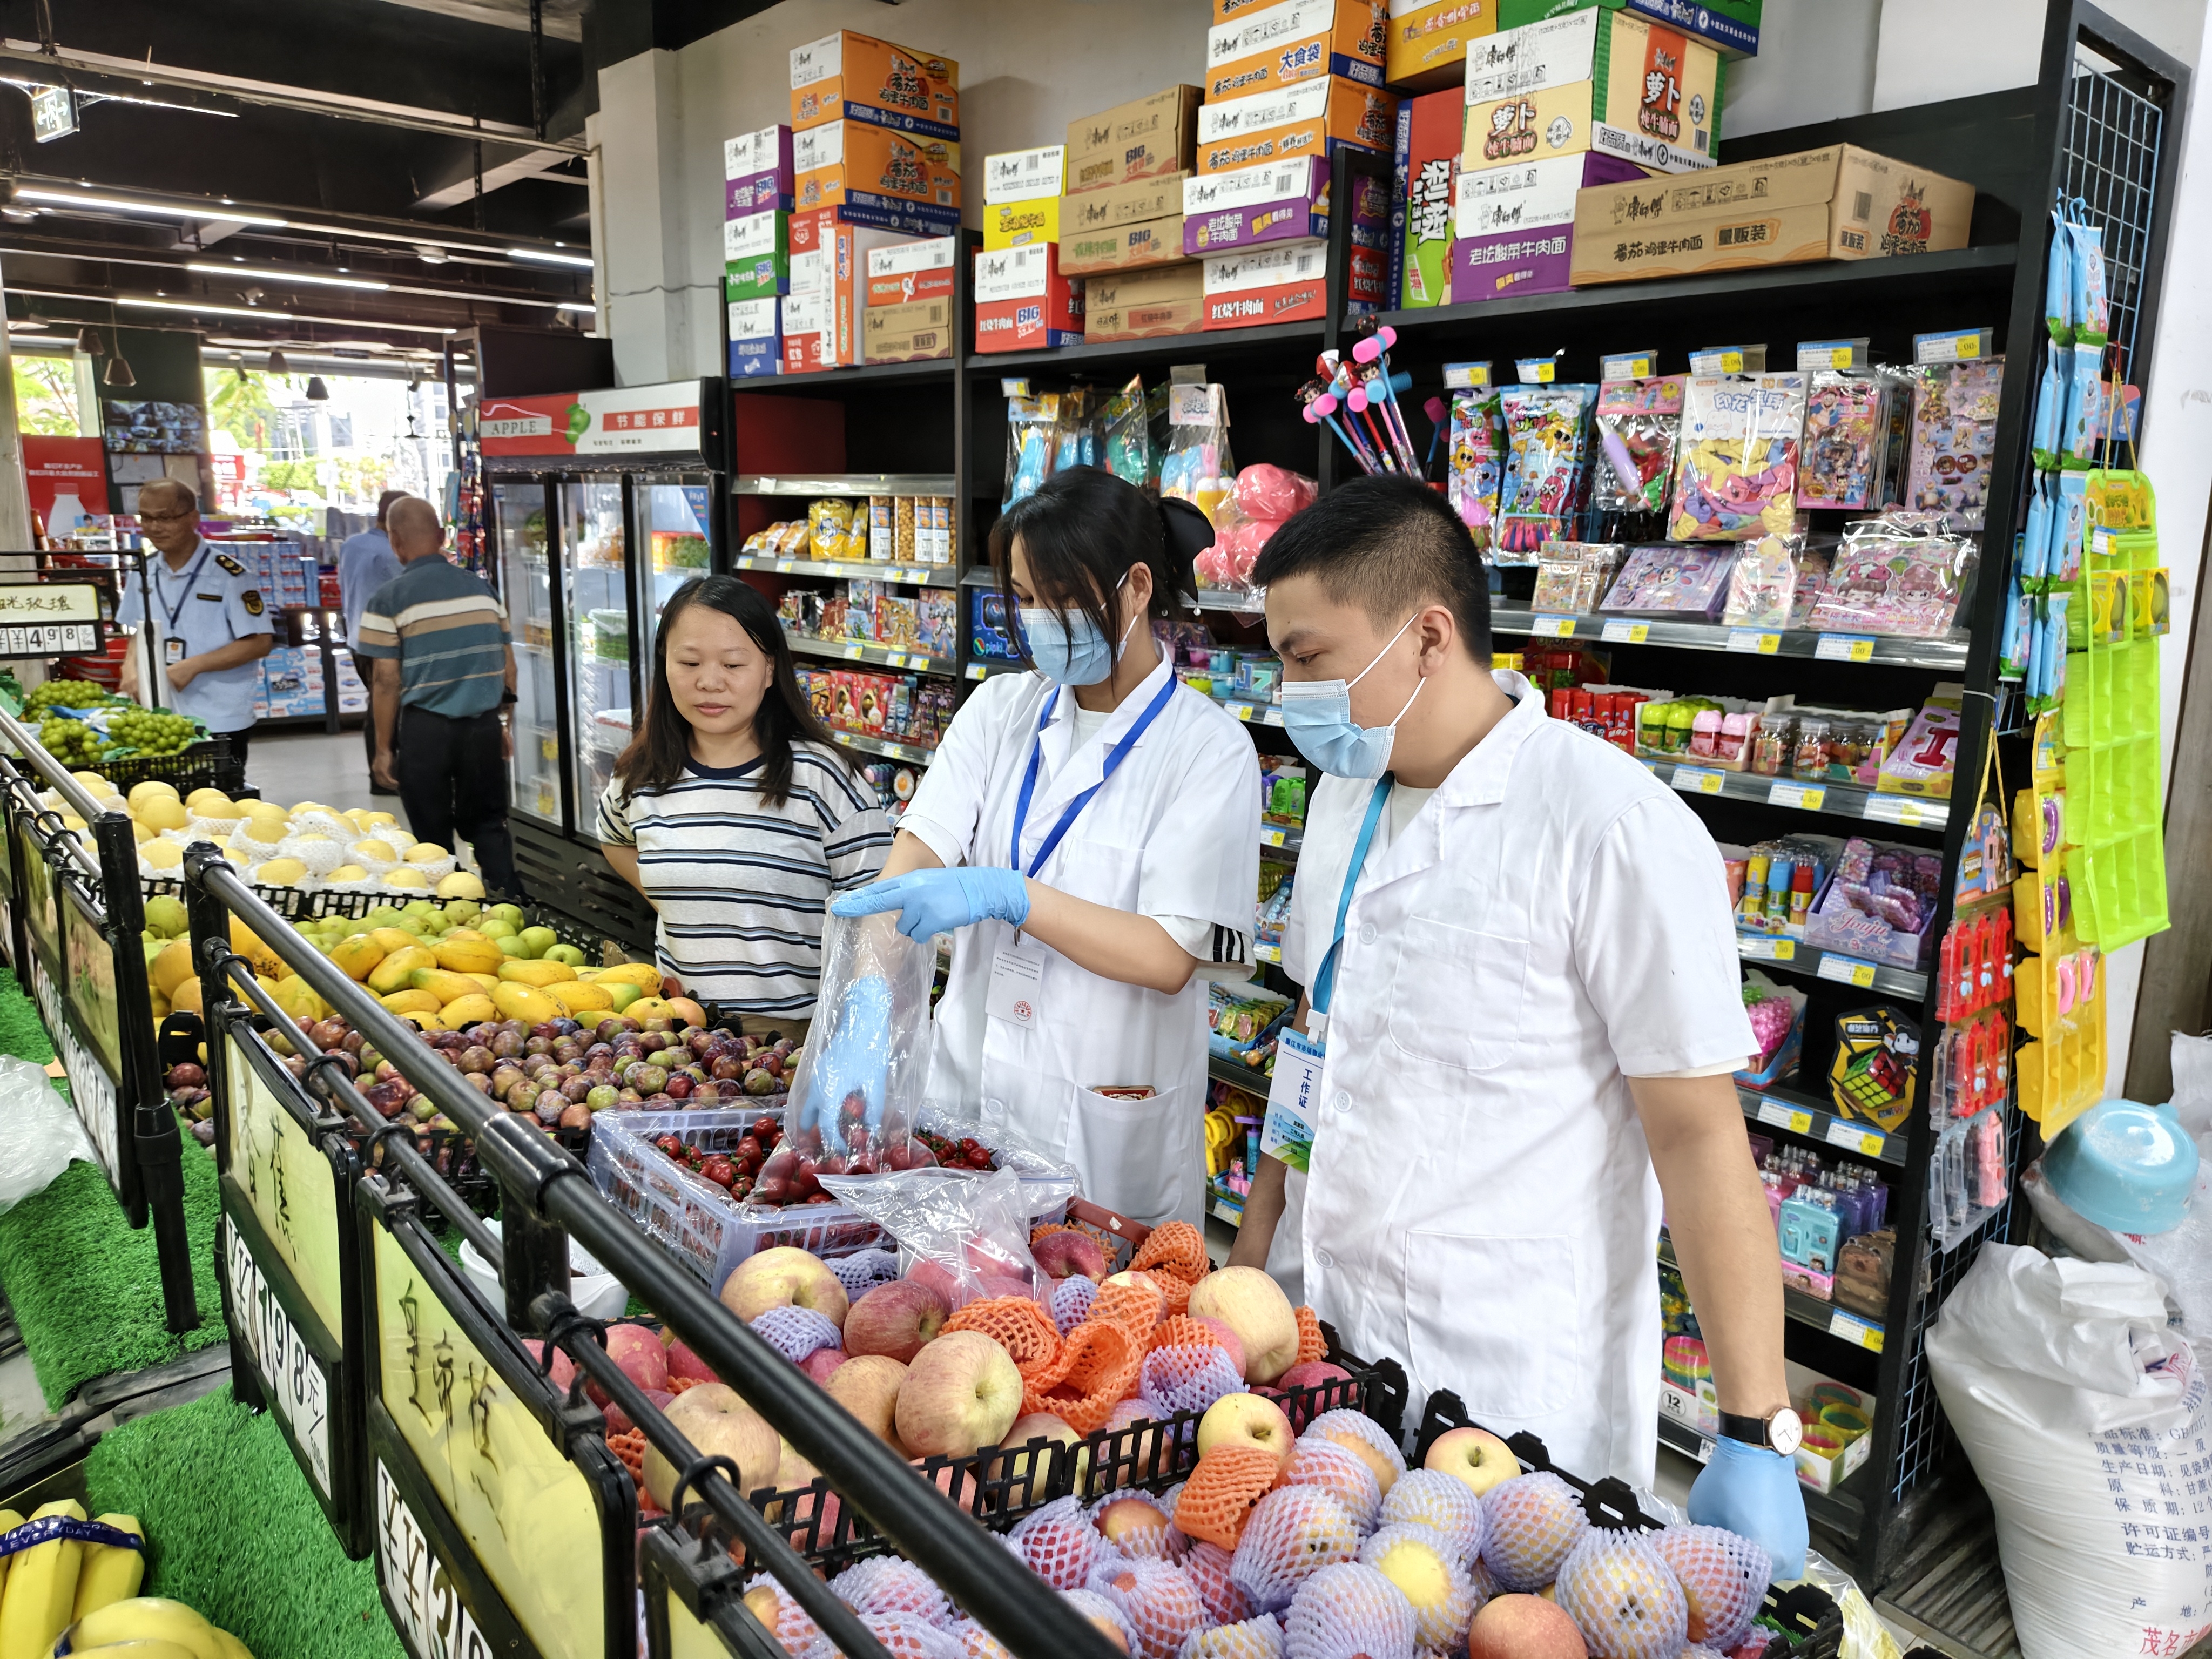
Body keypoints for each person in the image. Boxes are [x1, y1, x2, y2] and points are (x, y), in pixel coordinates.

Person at [1223, 477, 1807, 1573]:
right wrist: (1253, 1258)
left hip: (1512, 1384)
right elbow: (1312, 1036)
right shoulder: (1345, 800)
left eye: (1306, 658)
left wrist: (1754, 1427)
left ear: (1427, 636)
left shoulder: (1612, 826)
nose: (1287, 690)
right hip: (1328, 1337)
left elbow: (1696, 1134)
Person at [831, 467, 1259, 1231]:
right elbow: (912, 865)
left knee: (1095, 1295)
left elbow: (1168, 956)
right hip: (966, 1098)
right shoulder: (1000, 710)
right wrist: (864, 1007)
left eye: (1060, 596)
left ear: (1135, 588)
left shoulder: (1208, 750)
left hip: (1102, 1120)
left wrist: (1011, 895)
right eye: (1025, 598)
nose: (1038, 621)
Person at [598, 575, 892, 1038]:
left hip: (797, 1039)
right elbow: (613, 839)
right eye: (689, 662)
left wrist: (859, 1030)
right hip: (677, 1036)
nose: (709, 682)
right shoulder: (642, 774)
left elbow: (882, 905)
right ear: (664, 664)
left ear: (770, 670)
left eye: (733, 664)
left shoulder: (823, 777)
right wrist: (684, 899)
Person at [353, 496, 523, 899]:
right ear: (443, 536)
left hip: (426, 731)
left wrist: (383, 749)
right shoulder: (482, 590)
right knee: (489, 825)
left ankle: (449, 909)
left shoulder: (388, 599)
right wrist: (503, 725)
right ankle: (512, 903)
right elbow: (508, 667)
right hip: (482, 726)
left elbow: (386, 681)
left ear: (395, 541)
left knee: (432, 838)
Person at [114, 479, 275, 769]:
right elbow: (140, 629)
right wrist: (129, 668)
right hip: (159, 715)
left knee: (219, 794)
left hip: (219, 717)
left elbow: (260, 642)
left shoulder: (230, 575)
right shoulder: (143, 571)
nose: (154, 527)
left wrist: (194, 665)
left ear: (193, 518)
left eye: (165, 517)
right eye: (146, 518)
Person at [339, 489, 407, 792]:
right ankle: (388, 775)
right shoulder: (391, 554)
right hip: (385, 641)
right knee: (389, 704)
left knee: (378, 702)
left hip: (357, 637)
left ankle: (380, 774)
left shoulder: (351, 545)